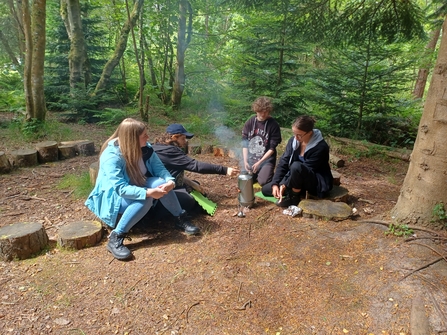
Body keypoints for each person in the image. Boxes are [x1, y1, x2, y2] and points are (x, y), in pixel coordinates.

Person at [85, 118, 200, 261]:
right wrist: (147, 192)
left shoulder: (146, 149)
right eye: (144, 135)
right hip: (115, 197)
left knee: (160, 182)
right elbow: (121, 189)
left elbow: (160, 169)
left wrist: (170, 181)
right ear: (132, 139)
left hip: (138, 184)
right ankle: (116, 237)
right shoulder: (112, 157)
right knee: (145, 198)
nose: (148, 137)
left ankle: (179, 218)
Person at [152, 123, 240, 211]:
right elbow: (196, 166)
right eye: (183, 138)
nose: (185, 141)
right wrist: (225, 170)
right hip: (160, 192)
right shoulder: (169, 152)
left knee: (195, 184)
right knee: (189, 200)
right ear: (174, 137)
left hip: (163, 184)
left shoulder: (159, 147)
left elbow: (172, 172)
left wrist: (191, 183)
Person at [261, 115, 333, 207]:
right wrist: (275, 184)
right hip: (293, 178)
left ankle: (294, 197)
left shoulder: (320, 147)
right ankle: (292, 190)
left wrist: (284, 184)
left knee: (296, 166)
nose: (296, 138)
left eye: (299, 135)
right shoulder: (293, 141)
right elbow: (284, 162)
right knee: (266, 189)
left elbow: (305, 169)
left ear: (310, 133)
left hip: (314, 181)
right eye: (294, 134)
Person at [242, 96, 282, 186]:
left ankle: (264, 173)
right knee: (244, 178)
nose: (263, 114)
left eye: (266, 112)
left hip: (266, 160)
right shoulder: (250, 122)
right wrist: (245, 161)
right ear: (256, 110)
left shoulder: (273, 125)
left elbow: (272, 148)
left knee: (263, 181)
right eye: (261, 112)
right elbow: (245, 144)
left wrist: (260, 163)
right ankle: (256, 173)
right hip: (252, 158)